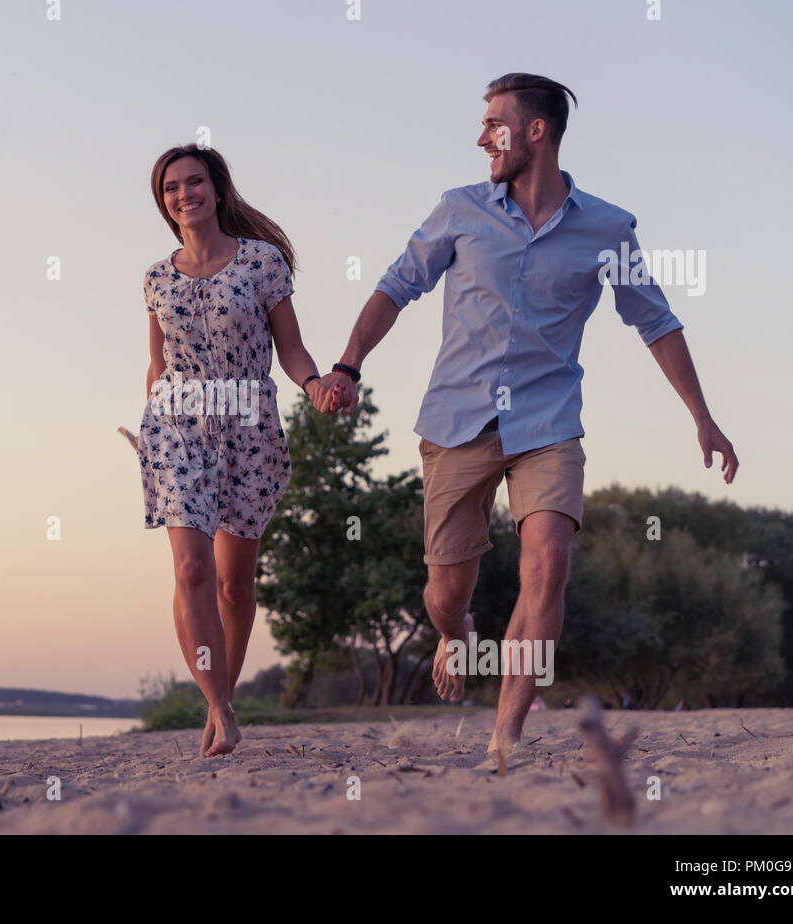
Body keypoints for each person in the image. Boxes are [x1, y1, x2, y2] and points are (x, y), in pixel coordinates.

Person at [310, 73, 739, 759]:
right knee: (447, 593)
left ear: (535, 131)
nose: (482, 137)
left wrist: (703, 416)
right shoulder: (459, 210)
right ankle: (458, 633)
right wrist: (347, 366)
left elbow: (656, 323)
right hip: (457, 423)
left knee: (549, 563)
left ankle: (505, 735)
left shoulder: (608, 228)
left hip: (549, 426)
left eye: (494, 124)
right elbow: (395, 287)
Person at [139, 144, 340, 757]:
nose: (183, 195)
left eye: (194, 182)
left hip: (249, 425)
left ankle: (218, 703)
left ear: (217, 189)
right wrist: (151, 433)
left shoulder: (261, 263)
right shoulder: (156, 278)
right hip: (178, 425)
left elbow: (292, 350)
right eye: (171, 188)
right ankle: (220, 707)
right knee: (191, 570)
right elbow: (156, 365)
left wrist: (314, 385)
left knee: (234, 585)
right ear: (164, 202)